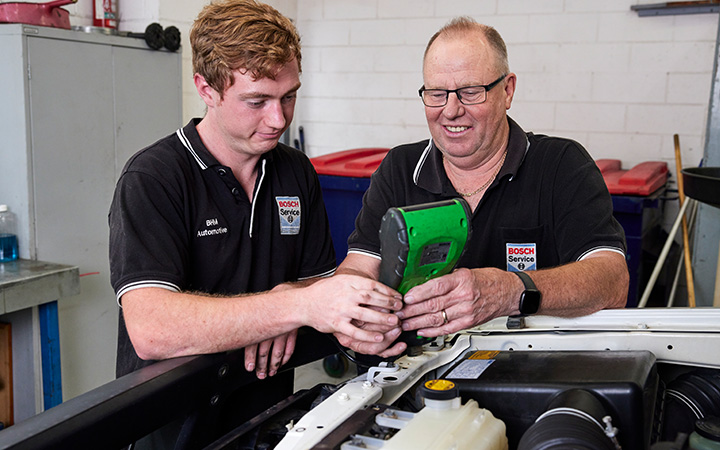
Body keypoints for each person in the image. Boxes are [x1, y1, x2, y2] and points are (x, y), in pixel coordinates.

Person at [108, 0, 402, 439]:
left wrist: (294, 298)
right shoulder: (154, 178)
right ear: (206, 89)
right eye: (257, 100)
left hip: (268, 417)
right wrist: (290, 306)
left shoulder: (295, 171)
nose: (278, 118)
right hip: (175, 425)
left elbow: (316, 285)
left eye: (288, 96)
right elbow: (152, 328)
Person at [335, 17, 629, 358]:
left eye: (470, 92)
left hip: (533, 373)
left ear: (507, 91)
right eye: (436, 94)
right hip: (415, 373)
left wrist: (509, 292)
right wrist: (357, 308)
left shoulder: (561, 164)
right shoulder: (400, 168)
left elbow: (612, 282)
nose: (451, 111)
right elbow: (359, 265)